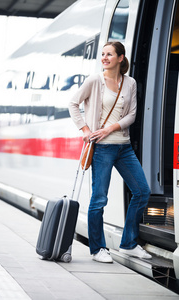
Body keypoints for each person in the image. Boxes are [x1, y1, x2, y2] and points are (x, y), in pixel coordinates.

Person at [69, 41, 151, 263]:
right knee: (99, 199)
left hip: (123, 146)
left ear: (120, 58)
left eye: (110, 54)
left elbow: (131, 115)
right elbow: (73, 103)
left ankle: (129, 244)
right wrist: (85, 129)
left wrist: (109, 129)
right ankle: (97, 249)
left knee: (142, 191)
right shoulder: (95, 80)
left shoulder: (130, 83)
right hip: (102, 149)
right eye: (103, 54)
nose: (104, 57)